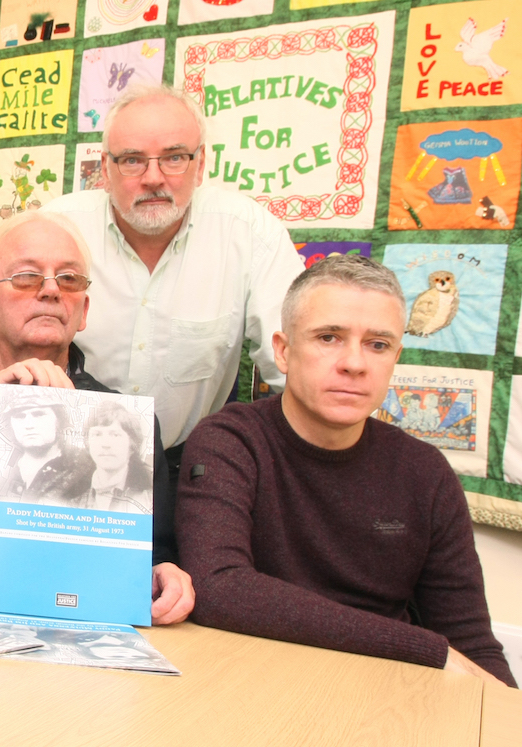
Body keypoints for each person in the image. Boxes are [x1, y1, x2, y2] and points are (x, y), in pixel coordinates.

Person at [176, 255, 516, 687]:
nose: (354, 363)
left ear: (396, 357)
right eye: (329, 337)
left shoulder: (425, 472)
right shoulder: (232, 441)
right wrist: (425, 648)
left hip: (384, 695)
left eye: (377, 344)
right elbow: (220, 588)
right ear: (283, 351)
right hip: (250, 681)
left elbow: (472, 643)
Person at [0, 209, 195, 625]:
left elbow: (150, 552)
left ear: (83, 311)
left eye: (68, 280)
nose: (50, 291)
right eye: (26, 277)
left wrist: (163, 572)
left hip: (83, 628)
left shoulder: (123, 420)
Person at [45, 82, 303, 462]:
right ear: (104, 169)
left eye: (174, 157)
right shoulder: (55, 230)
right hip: (62, 456)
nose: (153, 178)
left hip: (183, 465)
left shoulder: (249, 233)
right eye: (132, 159)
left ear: (200, 165)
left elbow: (296, 364)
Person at [61, 401, 154, 513]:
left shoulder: (149, 495)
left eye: (115, 435)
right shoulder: (69, 497)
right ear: (87, 443)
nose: (105, 444)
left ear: (133, 444)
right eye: (97, 434)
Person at [0, 399, 80, 500]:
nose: (29, 425)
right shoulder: (0, 468)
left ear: (59, 421)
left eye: (38, 414)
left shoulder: (85, 467)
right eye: (19, 416)